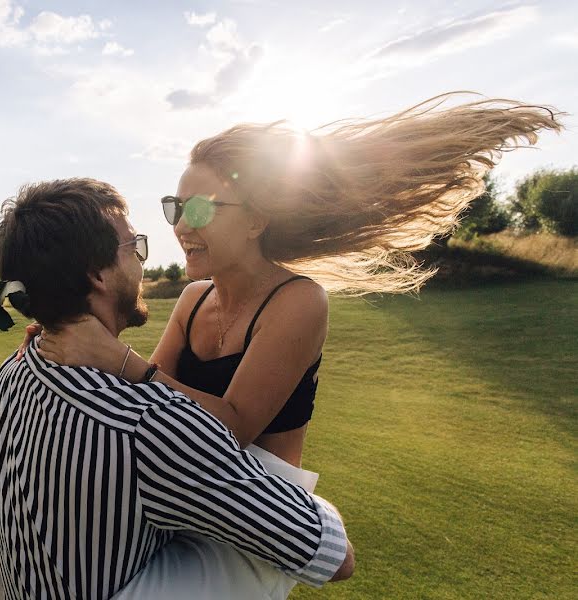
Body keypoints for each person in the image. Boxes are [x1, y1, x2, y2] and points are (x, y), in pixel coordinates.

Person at [30, 93, 563, 470]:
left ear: (258, 220)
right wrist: (67, 334)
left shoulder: (299, 302)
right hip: (200, 497)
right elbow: (151, 400)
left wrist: (117, 359)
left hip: (266, 516)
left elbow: (234, 425)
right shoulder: (193, 300)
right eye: (175, 206)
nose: (180, 225)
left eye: (198, 208)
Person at [0, 178, 354, 599]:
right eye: (134, 247)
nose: (166, 240)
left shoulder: (8, 377)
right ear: (96, 275)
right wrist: (305, 500)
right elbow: (334, 557)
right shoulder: (148, 424)